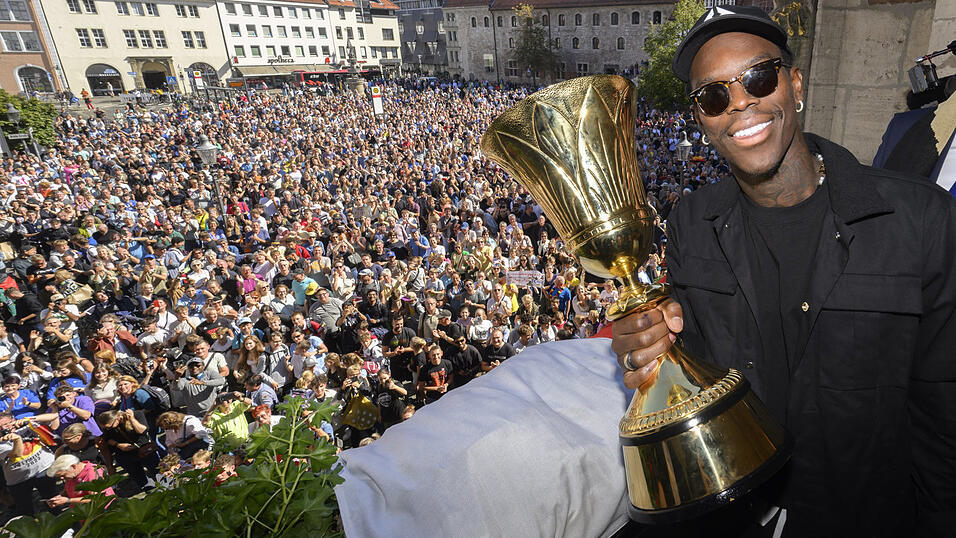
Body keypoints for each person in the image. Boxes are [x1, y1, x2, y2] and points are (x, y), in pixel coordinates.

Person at [611, 6, 956, 536]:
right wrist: (654, 355)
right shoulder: (690, 223)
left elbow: (944, 419)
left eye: (758, 78)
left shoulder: (920, 220)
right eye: (713, 95)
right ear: (701, 119)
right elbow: (700, 377)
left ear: (794, 84)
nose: (741, 102)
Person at [0, 412, 57, 517]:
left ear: (13, 420)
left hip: (42, 469)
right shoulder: (1, 442)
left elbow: (54, 416)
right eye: (2, 426)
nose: (5, 428)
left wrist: (29, 419)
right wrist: (17, 439)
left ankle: (62, 522)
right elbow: (17, 454)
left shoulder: (26, 427)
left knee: (53, 499)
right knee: (25, 510)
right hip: (19, 480)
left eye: (7, 424)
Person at [96, 409, 158, 492]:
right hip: (125, 455)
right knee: (140, 479)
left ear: (117, 419)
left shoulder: (137, 414)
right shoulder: (109, 428)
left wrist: (132, 419)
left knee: (157, 472)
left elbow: (143, 430)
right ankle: (150, 492)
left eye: (109, 427)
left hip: (144, 450)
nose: (107, 429)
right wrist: (118, 445)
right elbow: (107, 439)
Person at [45, 454, 115, 509]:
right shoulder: (72, 474)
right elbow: (69, 489)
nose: (62, 478)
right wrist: (59, 497)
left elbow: (97, 498)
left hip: (103, 513)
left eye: (63, 475)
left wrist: (68, 501)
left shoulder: (92, 473)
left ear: (73, 466)